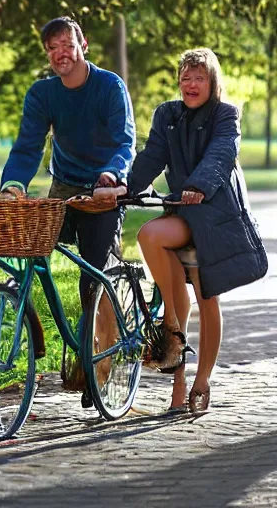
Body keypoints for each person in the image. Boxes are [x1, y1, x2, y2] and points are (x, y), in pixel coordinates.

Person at [0, 16, 134, 407]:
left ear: (83, 45)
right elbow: (27, 147)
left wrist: (111, 174)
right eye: (52, 47)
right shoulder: (42, 95)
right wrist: (13, 186)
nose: (61, 53)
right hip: (65, 185)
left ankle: (99, 366)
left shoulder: (109, 86)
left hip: (104, 188)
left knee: (94, 276)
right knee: (29, 254)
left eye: (67, 44)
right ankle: (38, 328)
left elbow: (125, 141)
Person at [127, 48, 267, 413]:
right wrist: (124, 187)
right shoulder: (167, 115)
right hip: (184, 211)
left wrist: (200, 185)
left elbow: (221, 153)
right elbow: (152, 156)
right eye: (185, 78)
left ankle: (202, 380)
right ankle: (172, 327)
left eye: (199, 78)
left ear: (212, 82)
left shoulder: (226, 115)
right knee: (150, 236)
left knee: (207, 298)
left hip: (217, 215)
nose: (191, 85)